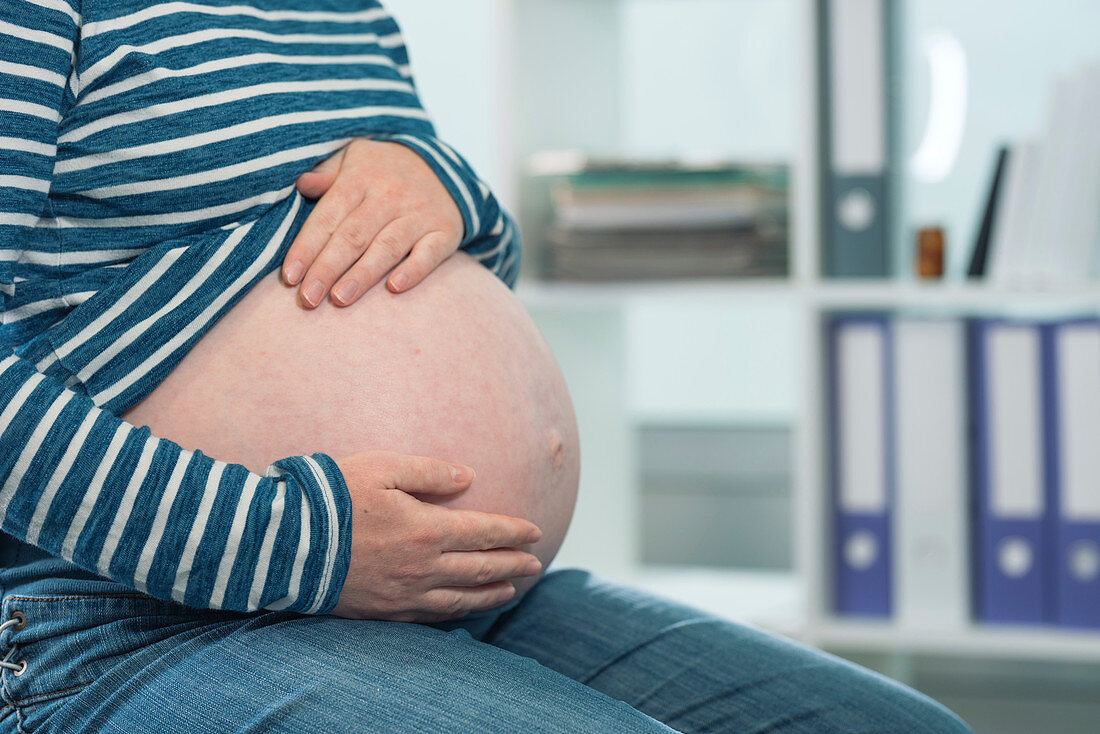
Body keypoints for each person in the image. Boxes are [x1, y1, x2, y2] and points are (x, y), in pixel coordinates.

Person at [0, 1, 973, 731]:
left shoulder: (345, 12)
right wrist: (307, 544)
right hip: (129, 620)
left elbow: (438, 267)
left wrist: (448, 187)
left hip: (462, 595)